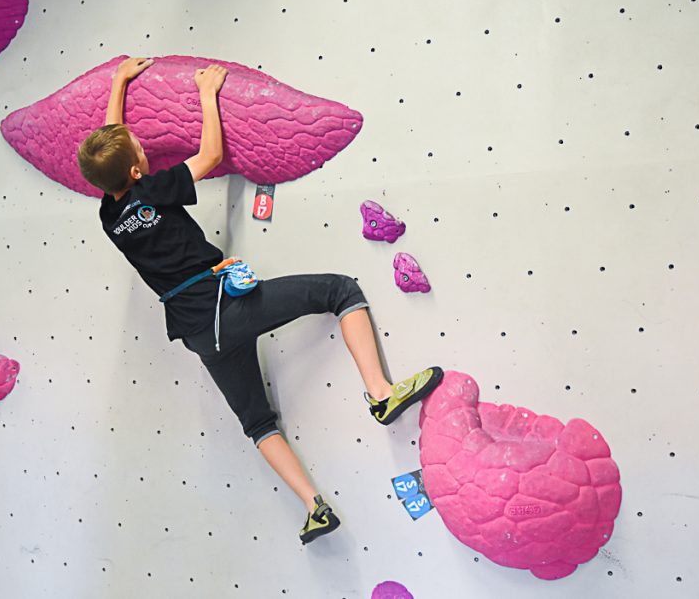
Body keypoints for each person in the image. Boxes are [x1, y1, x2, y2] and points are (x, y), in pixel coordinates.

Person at [77, 56, 443, 544]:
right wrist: (208, 93)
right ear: (140, 167)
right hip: (223, 307)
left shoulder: (110, 213)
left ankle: (315, 508)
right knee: (341, 291)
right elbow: (208, 155)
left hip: (198, 334)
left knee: (256, 420)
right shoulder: (155, 190)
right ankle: (380, 393)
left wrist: (119, 83)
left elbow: (113, 150)